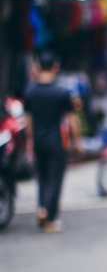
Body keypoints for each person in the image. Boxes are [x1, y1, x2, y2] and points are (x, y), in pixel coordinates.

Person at [24, 51, 83, 233]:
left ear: (38, 67)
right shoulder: (61, 93)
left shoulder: (31, 92)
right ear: (55, 67)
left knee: (42, 178)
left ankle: (43, 208)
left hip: (39, 142)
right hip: (57, 142)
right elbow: (72, 120)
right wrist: (78, 142)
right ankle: (49, 217)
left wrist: (30, 142)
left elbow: (28, 122)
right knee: (54, 180)